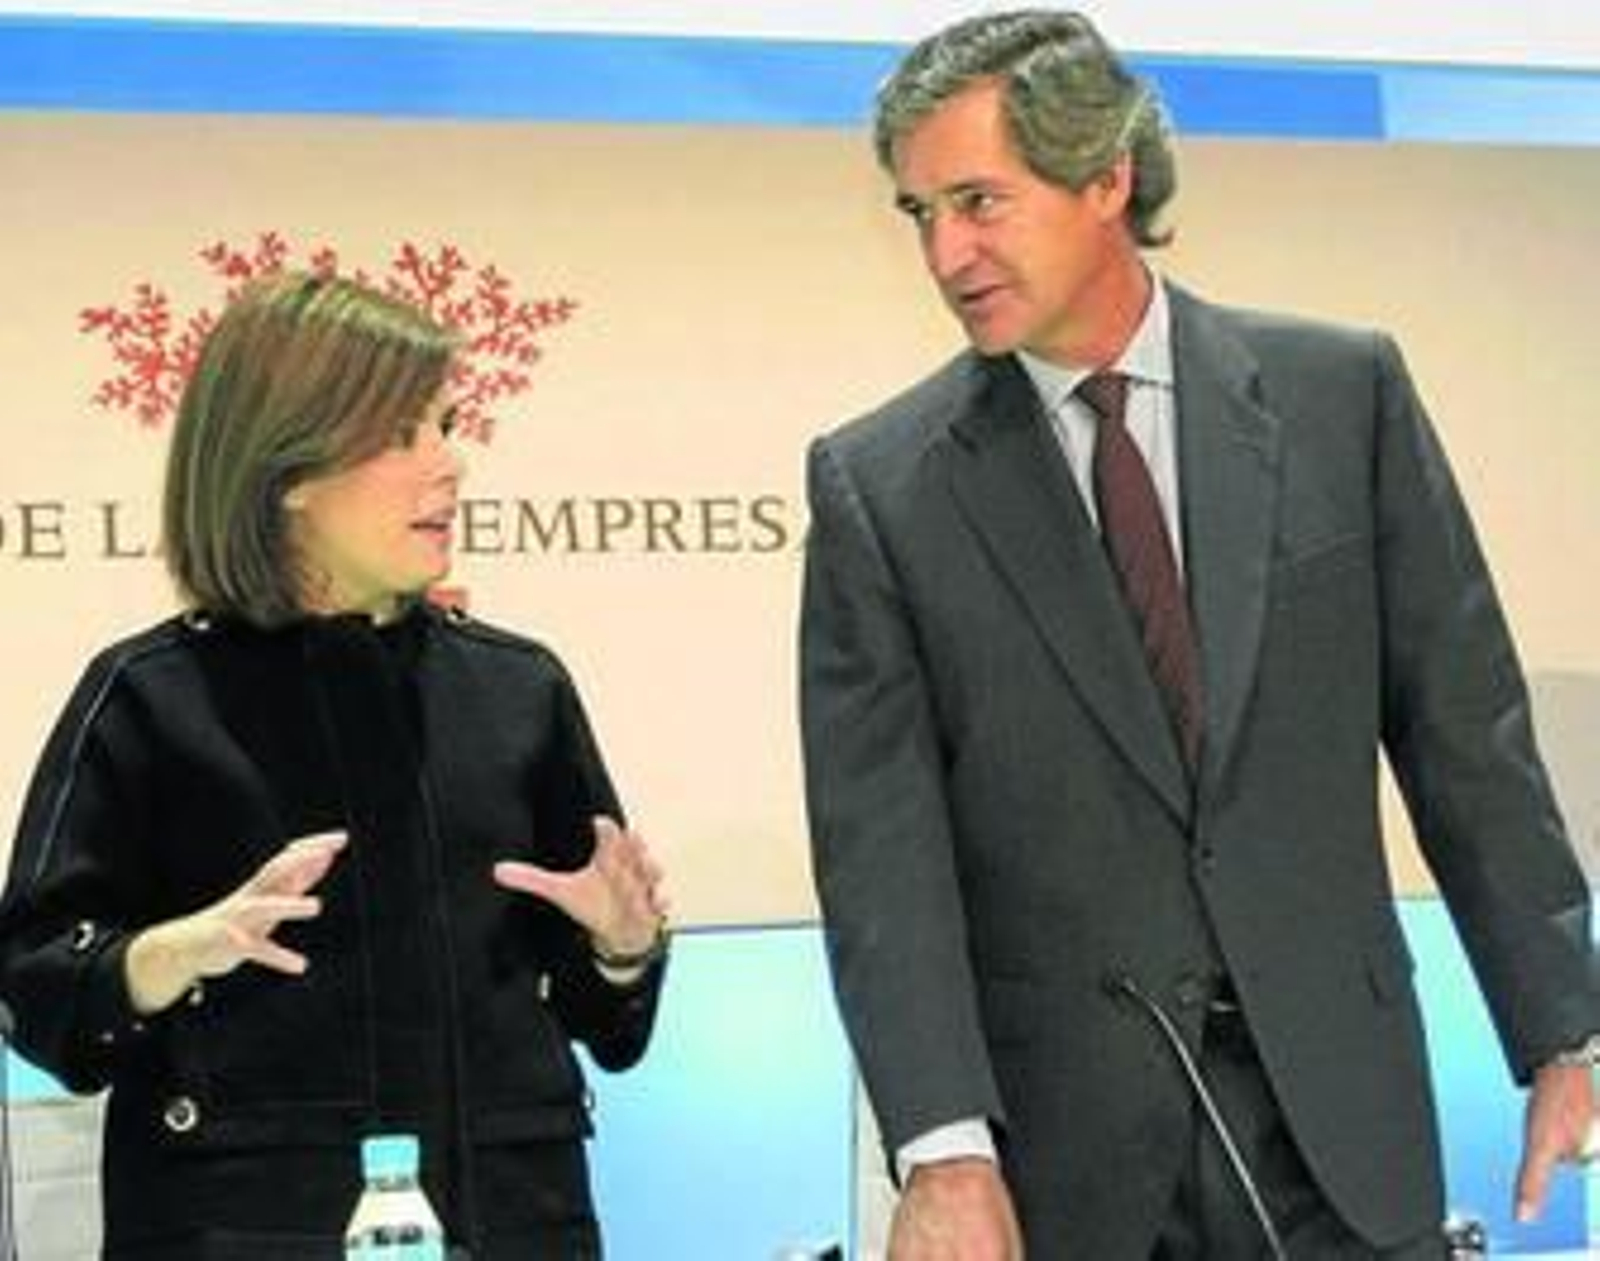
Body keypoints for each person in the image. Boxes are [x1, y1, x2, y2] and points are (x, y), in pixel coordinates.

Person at [798, 10, 1600, 1259]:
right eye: (920, 214)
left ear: (1104, 176)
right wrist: (942, 1149)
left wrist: (1563, 1031)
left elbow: (1465, 736)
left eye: (978, 201)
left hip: (1344, 1135)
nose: (946, 253)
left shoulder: (1343, 395)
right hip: (1069, 1164)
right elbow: (879, 858)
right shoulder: (880, 486)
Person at [0, 272, 670, 1259]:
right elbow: (35, 991)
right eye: (403, 434)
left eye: (448, 425)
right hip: (243, 1228)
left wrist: (623, 949)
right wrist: (174, 953)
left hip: (515, 1221)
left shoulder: (519, 688)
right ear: (289, 469)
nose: (452, 464)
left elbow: (607, 1025)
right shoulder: (148, 697)